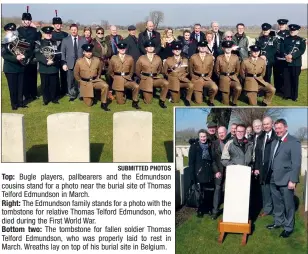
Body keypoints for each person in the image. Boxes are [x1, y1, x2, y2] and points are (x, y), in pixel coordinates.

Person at [266, 119, 301, 238]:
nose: (278, 130)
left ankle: (288, 227)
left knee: (288, 205)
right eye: (276, 128)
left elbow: (296, 163)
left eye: (280, 128)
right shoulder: (275, 140)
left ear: (286, 127)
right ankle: (278, 222)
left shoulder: (293, 141)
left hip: (286, 179)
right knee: (277, 203)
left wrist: (293, 180)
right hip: (273, 178)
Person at [74, 44, 110, 111]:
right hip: (86, 83)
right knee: (89, 104)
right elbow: (76, 74)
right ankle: (92, 95)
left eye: (90, 52)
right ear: (84, 52)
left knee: (105, 86)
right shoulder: (79, 61)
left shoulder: (97, 60)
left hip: (95, 81)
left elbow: (99, 70)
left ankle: (103, 103)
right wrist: (81, 82)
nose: (89, 53)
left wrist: (98, 77)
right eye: (87, 52)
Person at [254, 116, 277, 217]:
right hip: (262, 168)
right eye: (264, 124)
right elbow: (258, 154)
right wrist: (257, 168)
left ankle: (277, 209)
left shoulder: (277, 137)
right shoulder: (260, 137)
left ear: (272, 124)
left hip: (273, 168)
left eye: (268, 124)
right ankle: (267, 209)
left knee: (275, 191)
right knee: (265, 190)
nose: (266, 126)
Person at [17, 6, 41, 102]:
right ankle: (25, 94)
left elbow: (39, 41)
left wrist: (37, 29)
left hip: (33, 56)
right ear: (22, 21)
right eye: (25, 20)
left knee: (33, 76)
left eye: (28, 20)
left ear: (30, 21)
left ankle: (33, 93)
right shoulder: (19, 30)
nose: (27, 22)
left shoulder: (34, 30)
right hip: (23, 56)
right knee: (24, 77)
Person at [135, 40, 169, 108]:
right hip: (145, 79)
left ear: (154, 48)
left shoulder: (158, 58)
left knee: (166, 83)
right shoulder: (141, 58)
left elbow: (159, 70)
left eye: (152, 47)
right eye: (148, 46)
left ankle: (162, 100)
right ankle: (143, 91)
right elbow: (137, 71)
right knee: (148, 102)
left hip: (155, 78)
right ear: (146, 48)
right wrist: (142, 78)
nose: (150, 48)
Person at [108, 42, 141, 109]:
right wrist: (115, 78)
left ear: (125, 49)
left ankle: (135, 102)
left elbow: (132, 70)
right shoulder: (113, 58)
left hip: (127, 79)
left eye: (123, 48)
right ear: (117, 49)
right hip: (118, 79)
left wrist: (129, 76)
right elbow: (110, 71)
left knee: (136, 86)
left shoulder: (130, 58)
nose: (122, 49)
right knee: (121, 103)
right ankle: (122, 94)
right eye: (120, 48)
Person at [189, 129, 214, 217]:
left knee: (209, 193)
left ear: (207, 136)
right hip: (199, 173)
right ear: (199, 137)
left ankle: (208, 209)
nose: (203, 138)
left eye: (204, 136)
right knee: (200, 193)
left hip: (209, 172)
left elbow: (212, 159)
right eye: (201, 137)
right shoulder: (194, 146)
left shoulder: (210, 145)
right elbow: (191, 163)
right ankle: (200, 210)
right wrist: (193, 176)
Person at [1, 23, 27, 110]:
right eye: (10, 30)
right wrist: (16, 58)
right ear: (6, 31)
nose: (12, 32)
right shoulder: (4, 42)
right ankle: (14, 104)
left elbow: (25, 50)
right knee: (13, 87)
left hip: (20, 67)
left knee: (21, 86)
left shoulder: (19, 40)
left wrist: (24, 55)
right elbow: (5, 55)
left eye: (13, 30)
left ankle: (21, 102)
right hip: (10, 68)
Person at [35, 26, 61, 105]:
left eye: (50, 33)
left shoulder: (56, 42)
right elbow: (37, 54)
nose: (48, 35)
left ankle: (54, 98)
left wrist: (53, 60)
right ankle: (46, 99)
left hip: (53, 67)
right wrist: (46, 61)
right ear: (43, 34)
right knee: (45, 85)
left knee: (53, 84)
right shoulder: (39, 43)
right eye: (47, 33)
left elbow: (59, 54)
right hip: (44, 67)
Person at [61, 24, 87, 101]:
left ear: (77, 30)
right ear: (70, 30)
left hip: (80, 64)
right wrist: (64, 63)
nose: (73, 31)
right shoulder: (65, 40)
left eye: (75, 29)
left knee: (80, 80)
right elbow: (63, 52)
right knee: (70, 80)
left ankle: (80, 94)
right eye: (72, 30)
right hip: (70, 64)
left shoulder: (83, 40)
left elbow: (86, 52)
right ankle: (72, 95)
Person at [162, 42, 193, 106]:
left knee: (191, 85)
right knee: (176, 101)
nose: (177, 50)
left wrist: (183, 76)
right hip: (173, 81)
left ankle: (187, 99)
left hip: (182, 80)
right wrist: (171, 77)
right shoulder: (168, 60)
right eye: (175, 49)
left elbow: (187, 71)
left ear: (181, 50)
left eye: (178, 49)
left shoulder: (185, 60)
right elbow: (164, 72)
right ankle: (170, 93)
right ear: (173, 51)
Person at [280, 24, 306, 101]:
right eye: (291, 30)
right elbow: (282, 49)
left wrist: (292, 56)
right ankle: (286, 95)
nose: (292, 31)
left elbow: (302, 50)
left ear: (297, 31)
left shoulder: (301, 40)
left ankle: (294, 96)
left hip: (296, 63)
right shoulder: (285, 39)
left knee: (295, 79)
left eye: (294, 30)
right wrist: (286, 56)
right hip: (286, 62)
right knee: (286, 79)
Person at [189, 40, 218, 106]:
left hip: (206, 78)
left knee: (214, 88)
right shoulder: (193, 57)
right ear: (198, 48)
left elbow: (211, 69)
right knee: (198, 102)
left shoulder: (210, 57)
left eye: (204, 46)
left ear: (206, 48)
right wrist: (193, 78)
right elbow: (190, 69)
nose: (203, 48)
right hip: (197, 79)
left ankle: (210, 101)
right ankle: (195, 94)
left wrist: (208, 77)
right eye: (201, 46)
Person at [214, 40, 241, 106]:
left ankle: (234, 102)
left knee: (238, 88)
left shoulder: (235, 57)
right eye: (226, 47)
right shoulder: (219, 58)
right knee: (225, 103)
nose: (228, 49)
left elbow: (238, 69)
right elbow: (216, 70)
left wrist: (234, 75)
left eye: (229, 47)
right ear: (223, 48)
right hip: (223, 78)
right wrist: (221, 77)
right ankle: (224, 98)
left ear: (232, 48)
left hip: (233, 78)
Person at [211, 126, 228, 219]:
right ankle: (215, 211)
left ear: (226, 132)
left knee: (228, 192)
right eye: (219, 133)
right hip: (219, 172)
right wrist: (216, 171)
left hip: (229, 172)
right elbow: (212, 160)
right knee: (217, 190)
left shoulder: (231, 142)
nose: (221, 134)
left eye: (223, 132)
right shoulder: (214, 144)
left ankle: (228, 210)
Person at [51, 10, 69, 97]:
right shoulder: (50, 34)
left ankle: (64, 90)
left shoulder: (65, 34)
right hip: (54, 57)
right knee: (54, 75)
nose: (58, 25)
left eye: (59, 24)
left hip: (63, 57)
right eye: (56, 24)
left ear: (61, 25)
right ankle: (56, 91)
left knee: (64, 74)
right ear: (53, 25)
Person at [273, 19, 290, 94]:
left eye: (283, 25)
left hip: (285, 58)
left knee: (285, 75)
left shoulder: (289, 34)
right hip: (276, 57)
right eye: (280, 25)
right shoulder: (275, 34)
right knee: (276, 74)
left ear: (286, 25)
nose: (281, 26)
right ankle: (277, 89)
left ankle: (284, 90)